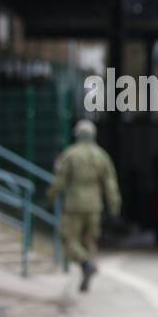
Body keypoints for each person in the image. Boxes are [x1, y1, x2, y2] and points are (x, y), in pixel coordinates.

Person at [46, 118, 122, 292]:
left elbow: (60, 181)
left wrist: (50, 198)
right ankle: (87, 270)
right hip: (95, 205)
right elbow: (110, 183)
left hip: (74, 204)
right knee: (90, 242)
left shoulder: (70, 154)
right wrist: (114, 206)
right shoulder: (102, 156)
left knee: (69, 239)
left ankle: (86, 264)